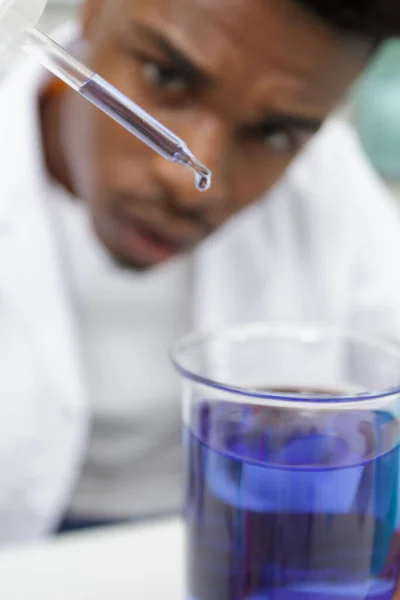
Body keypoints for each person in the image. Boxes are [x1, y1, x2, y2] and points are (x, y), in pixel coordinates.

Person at [0, 0, 399, 543]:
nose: (189, 181)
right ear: (93, 8)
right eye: (166, 77)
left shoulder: (332, 185)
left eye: (275, 134)